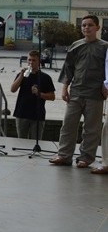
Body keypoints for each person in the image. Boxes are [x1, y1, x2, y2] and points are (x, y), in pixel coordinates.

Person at [49, 15, 108, 170]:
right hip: (76, 91)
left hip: (95, 94)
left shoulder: (104, 47)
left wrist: (106, 85)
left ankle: (86, 158)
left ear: (97, 27)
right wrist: (64, 87)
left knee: (91, 128)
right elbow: (68, 68)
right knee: (68, 124)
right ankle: (64, 155)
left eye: (89, 25)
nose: (86, 28)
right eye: (83, 25)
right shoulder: (76, 45)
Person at [10, 50, 56, 142]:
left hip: (37, 114)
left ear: (39, 62)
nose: (31, 62)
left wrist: (40, 94)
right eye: (29, 60)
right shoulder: (22, 75)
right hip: (21, 112)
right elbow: (13, 89)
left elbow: (52, 96)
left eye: (34, 60)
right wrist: (21, 76)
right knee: (21, 141)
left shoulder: (45, 77)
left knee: (36, 141)